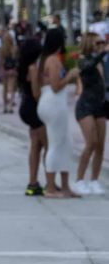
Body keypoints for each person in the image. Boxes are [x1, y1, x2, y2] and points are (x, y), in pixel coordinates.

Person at [36, 28, 80, 198]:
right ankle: (51, 188)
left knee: (65, 143)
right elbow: (56, 86)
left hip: (53, 103)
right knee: (55, 145)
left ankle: (65, 186)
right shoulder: (53, 60)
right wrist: (70, 76)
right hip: (53, 103)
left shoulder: (46, 59)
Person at [73, 33, 107, 195]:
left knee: (100, 145)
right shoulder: (83, 59)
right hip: (85, 106)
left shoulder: (102, 61)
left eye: (102, 42)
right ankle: (79, 180)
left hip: (101, 105)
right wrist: (103, 52)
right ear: (89, 43)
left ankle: (94, 180)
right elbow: (87, 66)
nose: (101, 44)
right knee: (91, 143)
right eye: (98, 42)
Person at [18, 39, 46, 196]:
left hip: (25, 107)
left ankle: (32, 183)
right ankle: (50, 182)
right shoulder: (33, 68)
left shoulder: (23, 67)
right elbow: (36, 93)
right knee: (48, 146)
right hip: (34, 109)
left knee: (36, 145)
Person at [0, 28, 18, 113]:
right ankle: (10, 106)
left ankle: (5, 106)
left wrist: (1, 69)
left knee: (5, 88)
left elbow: (1, 60)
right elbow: (16, 60)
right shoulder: (14, 48)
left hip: (5, 69)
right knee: (11, 89)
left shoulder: (2, 48)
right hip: (12, 69)